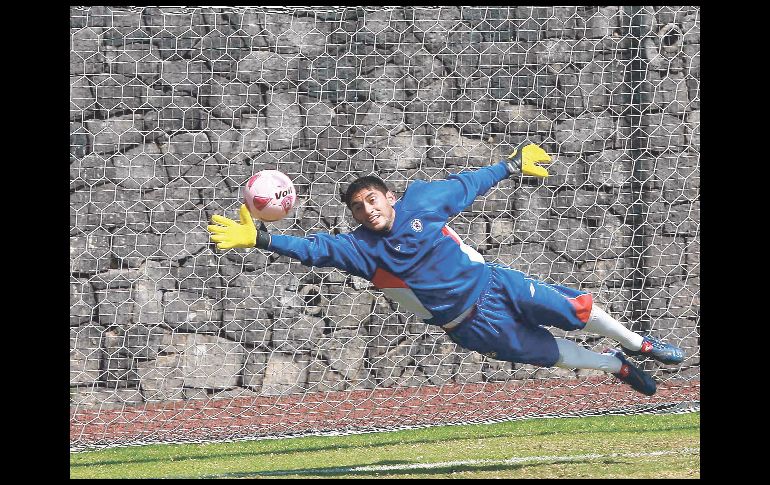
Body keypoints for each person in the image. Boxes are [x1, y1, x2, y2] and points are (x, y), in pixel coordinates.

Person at [207, 142, 684, 396]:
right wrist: (260, 238)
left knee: (577, 309)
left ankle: (643, 344)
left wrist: (511, 165)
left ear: (389, 197)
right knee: (553, 355)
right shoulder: (360, 250)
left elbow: (467, 184)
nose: (367, 210)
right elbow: (312, 249)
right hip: (469, 325)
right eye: (357, 208)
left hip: (496, 284)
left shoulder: (422, 201)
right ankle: (617, 366)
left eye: (371, 200)